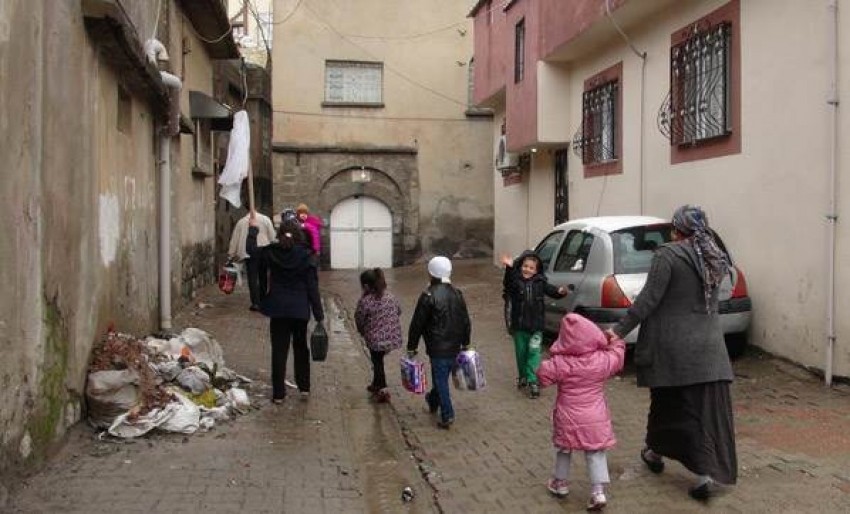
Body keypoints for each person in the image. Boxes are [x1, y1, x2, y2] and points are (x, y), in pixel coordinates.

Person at [606, 204, 737, 500]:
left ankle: (704, 477)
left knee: (673, 406)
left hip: (673, 349)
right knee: (701, 411)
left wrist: (617, 331)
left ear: (676, 229)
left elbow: (648, 299)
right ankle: (654, 452)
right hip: (711, 349)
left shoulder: (668, 254)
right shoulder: (714, 256)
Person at [537, 313, 625, 511]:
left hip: (567, 416)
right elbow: (617, 358)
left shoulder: (560, 363)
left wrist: (551, 359)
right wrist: (615, 341)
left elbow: (542, 377)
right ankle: (598, 491)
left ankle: (560, 483)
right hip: (595, 416)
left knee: (564, 447)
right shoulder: (601, 360)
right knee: (595, 452)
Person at [247, 214, 324, 404]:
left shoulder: (272, 252)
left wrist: (253, 231)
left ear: (279, 234)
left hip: (278, 308)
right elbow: (312, 287)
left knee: (279, 350)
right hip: (299, 309)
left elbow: (251, 251)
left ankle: (279, 393)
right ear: (299, 235)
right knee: (300, 348)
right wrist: (319, 314)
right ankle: (304, 387)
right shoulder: (307, 256)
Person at [407, 256, 471, 429]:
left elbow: (417, 324)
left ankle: (447, 414)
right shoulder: (458, 294)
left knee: (441, 379)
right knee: (440, 377)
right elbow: (465, 320)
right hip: (455, 346)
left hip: (437, 347)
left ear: (431, 274)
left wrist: (411, 347)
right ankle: (433, 400)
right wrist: (466, 342)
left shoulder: (427, 295)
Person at [501, 250, 567, 399]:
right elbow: (508, 283)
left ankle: (533, 380)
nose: (527, 270)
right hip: (520, 326)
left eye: (531, 268)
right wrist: (509, 268)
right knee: (521, 353)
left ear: (536, 270)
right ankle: (523, 376)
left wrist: (560, 291)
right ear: (521, 266)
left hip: (536, 327)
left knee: (534, 353)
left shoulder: (540, 282)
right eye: (525, 266)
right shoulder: (515, 281)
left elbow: (552, 291)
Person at [355, 268, 403, 403]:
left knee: (377, 362)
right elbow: (399, 311)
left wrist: (362, 331)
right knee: (378, 360)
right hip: (392, 337)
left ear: (365, 286)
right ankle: (376, 383)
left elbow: (359, 319)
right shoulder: (390, 296)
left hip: (375, 340)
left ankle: (383, 389)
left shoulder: (366, 301)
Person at [228, 211, 275, 311]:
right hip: (263, 249)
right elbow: (272, 236)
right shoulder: (265, 219)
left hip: (249, 251)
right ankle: (262, 298)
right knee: (263, 276)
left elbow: (235, 238)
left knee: (252, 277)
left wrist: (231, 253)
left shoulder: (241, 222)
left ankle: (255, 302)